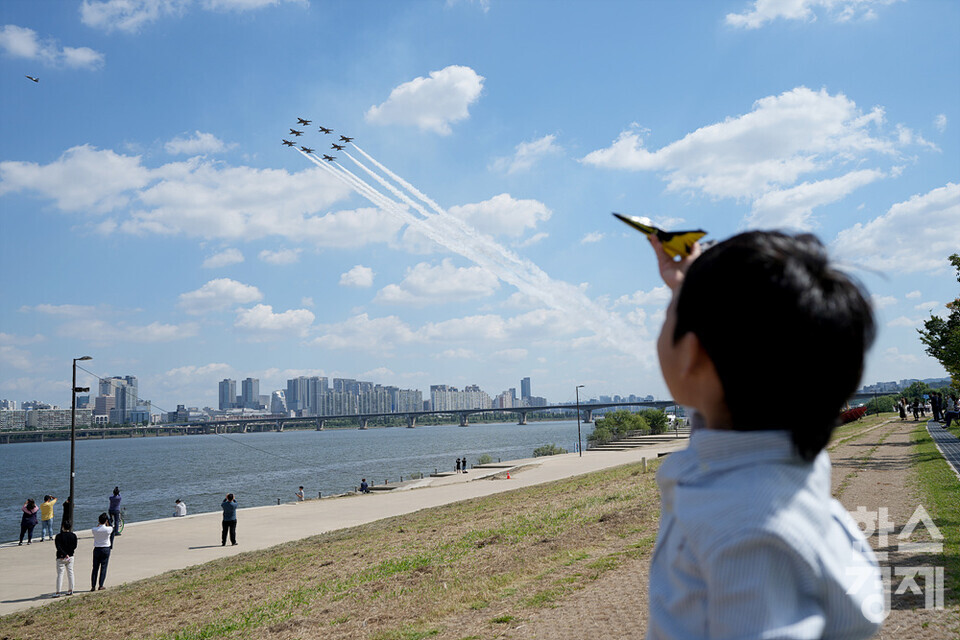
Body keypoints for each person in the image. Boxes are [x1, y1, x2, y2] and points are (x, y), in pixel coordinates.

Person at [644, 231, 883, 639]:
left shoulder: (749, 530)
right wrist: (690, 289)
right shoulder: (783, 468)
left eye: (669, 315)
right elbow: (719, 396)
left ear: (694, 353)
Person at [90, 513, 113, 591]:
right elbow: (111, 526)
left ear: (98, 521)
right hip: (106, 548)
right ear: (106, 521)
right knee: (103, 567)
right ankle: (101, 585)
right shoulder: (108, 529)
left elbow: (96, 527)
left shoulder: (94, 530)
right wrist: (107, 522)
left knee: (95, 568)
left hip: (97, 549)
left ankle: (93, 586)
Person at [54, 524, 78, 597]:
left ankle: (58, 592)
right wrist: (68, 553)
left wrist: (64, 554)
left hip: (61, 557)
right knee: (70, 572)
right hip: (70, 556)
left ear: (62, 527)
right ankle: (71, 589)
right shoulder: (73, 536)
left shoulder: (58, 536)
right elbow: (74, 546)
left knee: (60, 574)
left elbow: (58, 547)